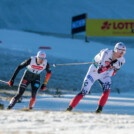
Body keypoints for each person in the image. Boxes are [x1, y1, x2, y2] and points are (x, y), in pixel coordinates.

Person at [66, 42, 126, 113]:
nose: (122, 53)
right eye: (120, 51)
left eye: (124, 51)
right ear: (115, 49)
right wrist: (111, 65)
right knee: (84, 91)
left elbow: (113, 73)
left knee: (107, 89)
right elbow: (99, 70)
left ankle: (99, 110)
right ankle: (69, 109)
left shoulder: (122, 60)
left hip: (105, 73)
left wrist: (111, 72)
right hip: (94, 71)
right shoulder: (106, 53)